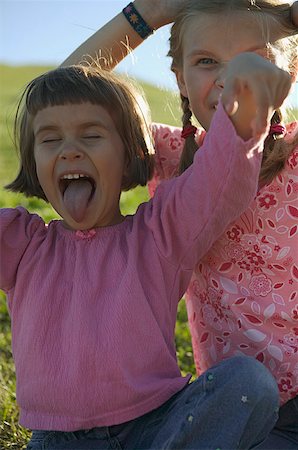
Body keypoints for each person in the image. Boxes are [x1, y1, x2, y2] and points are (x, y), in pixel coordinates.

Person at [0, 60, 285, 448]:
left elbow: (218, 179)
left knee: (249, 382)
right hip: (59, 440)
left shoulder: (158, 234)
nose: (69, 151)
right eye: (50, 140)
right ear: (34, 160)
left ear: (130, 152)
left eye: (91, 135)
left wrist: (247, 101)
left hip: (157, 428)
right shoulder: (22, 244)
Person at [62, 0, 298, 448]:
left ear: (288, 76)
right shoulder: (169, 158)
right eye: (206, 61)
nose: (229, 78)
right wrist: (149, 12)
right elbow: (62, 100)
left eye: (255, 60)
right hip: (229, 405)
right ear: (180, 81)